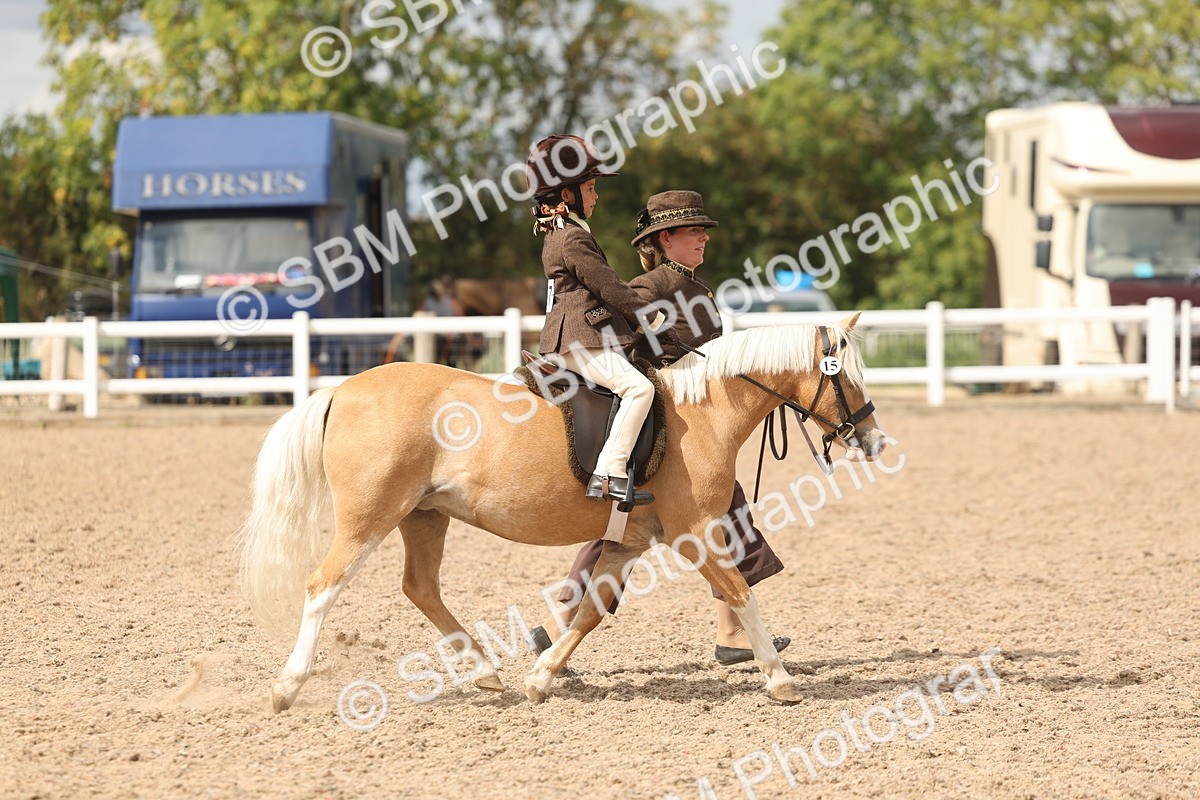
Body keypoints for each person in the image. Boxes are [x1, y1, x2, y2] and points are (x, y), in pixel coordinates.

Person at [531, 190, 790, 667]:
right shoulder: (651, 286)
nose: (702, 239)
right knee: (632, 526)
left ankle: (730, 630)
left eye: (704, 231)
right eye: (693, 231)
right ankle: (563, 618)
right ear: (665, 238)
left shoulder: (699, 287)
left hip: (703, 423)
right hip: (676, 424)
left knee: (714, 515)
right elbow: (634, 346)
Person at [528, 134, 676, 506]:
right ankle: (610, 472)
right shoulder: (573, 239)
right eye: (590, 188)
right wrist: (652, 315)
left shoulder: (561, 235)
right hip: (578, 339)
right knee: (638, 389)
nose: (596, 196)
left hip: (576, 336)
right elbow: (609, 287)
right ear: (566, 195)